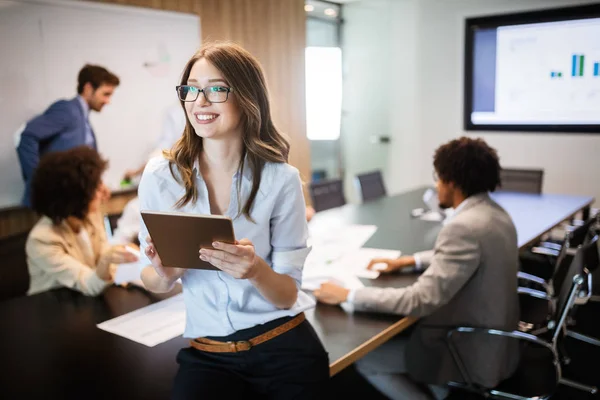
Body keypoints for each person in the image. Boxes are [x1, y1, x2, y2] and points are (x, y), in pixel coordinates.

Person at [138, 42, 329, 399]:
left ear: (246, 97)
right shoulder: (160, 176)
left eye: (216, 89)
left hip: (283, 346)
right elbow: (152, 278)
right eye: (191, 89)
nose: (199, 101)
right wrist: (165, 274)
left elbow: (288, 295)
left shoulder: (280, 179)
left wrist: (255, 270)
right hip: (208, 356)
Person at [314, 137, 520, 400]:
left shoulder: (463, 228)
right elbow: (469, 253)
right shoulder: (493, 213)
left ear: (452, 183)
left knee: (367, 362)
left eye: (439, 178)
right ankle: (440, 389)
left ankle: (437, 388)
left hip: (468, 348)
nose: (436, 185)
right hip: (498, 337)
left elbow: (419, 300)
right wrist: (411, 261)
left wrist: (348, 295)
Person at [25, 146, 138, 296]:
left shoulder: (90, 215)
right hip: (54, 308)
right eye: (96, 187)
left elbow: (105, 263)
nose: (106, 192)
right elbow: (89, 284)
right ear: (75, 197)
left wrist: (119, 256)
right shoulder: (42, 239)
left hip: (90, 301)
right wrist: (107, 261)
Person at [16, 64, 120, 207]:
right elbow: (27, 137)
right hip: (52, 204)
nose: (108, 101)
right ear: (88, 88)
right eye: (106, 94)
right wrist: (38, 182)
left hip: (70, 204)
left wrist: (98, 184)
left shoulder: (83, 120)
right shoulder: (67, 111)